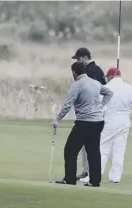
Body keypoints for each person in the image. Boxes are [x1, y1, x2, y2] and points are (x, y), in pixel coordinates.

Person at [52, 62, 113, 187]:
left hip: (84, 122)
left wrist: (57, 119)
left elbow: (68, 104)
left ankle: (70, 179)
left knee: (70, 151)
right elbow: (109, 93)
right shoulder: (95, 83)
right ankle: (95, 181)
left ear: (74, 72)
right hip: (98, 122)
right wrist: (100, 106)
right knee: (94, 152)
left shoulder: (77, 85)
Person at [90, 68, 132, 183]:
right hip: (125, 120)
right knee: (119, 149)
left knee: (103, 147)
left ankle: (96, 173)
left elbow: (99, 106)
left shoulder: (106, 88)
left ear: (110, 77)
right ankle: (115, 177)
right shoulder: (129, 88)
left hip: (110, 119)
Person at [71, 47, 107, 180]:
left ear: (85, 57)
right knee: (91, 146)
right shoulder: (98, 70)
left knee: (87, 147)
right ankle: (89, 172)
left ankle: (87, 171)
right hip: (97, 114)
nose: (78, 61)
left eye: (79, 59)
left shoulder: (89, 72)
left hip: (89, 114)